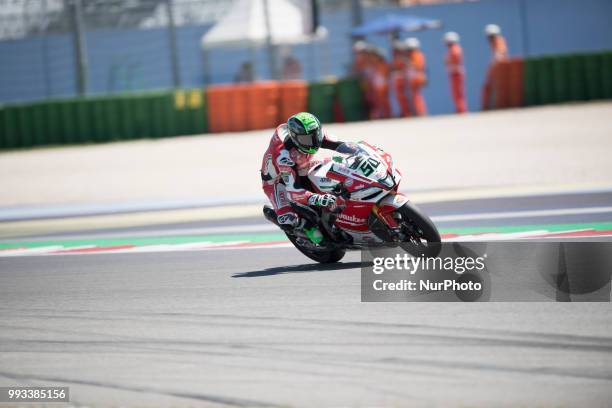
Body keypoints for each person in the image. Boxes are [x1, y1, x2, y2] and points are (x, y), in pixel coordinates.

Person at [260, 112, 345, 244]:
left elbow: (341, 145)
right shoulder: (284, 157)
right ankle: (303, 226)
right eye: (307, 140)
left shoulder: (312, 134)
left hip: (303, 166)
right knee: (287, 219)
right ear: (295, 138)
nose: (314, 142)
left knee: (337, 171)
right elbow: (293, 192)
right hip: (278, 181)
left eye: (315, 136)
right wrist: (318, 199)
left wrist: (360, 150)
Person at [481, 24, 508, 109]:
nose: (488, 39)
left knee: (494, 87)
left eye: (489, 37)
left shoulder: (498, 40)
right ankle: (488, 106)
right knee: (488, 87)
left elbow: (500, 54)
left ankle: (490, 106)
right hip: (497, 67)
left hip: (500, 68)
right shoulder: (495, 41)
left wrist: (493, 64)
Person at [443, 31, 467, 113]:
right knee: (455, 93)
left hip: (456, 74)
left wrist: (448, 61)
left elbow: (455, 59)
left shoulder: (455, 49)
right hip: (454, 73)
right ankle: (459, 109)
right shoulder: (452, 49)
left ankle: (461, 110)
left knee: (458, 92)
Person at [404, 37, 428, 116]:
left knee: (416, 95)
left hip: (417, 78)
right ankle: (418, 111)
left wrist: (409, 63)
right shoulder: (415, 55)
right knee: (415, 95)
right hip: (415, 78)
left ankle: (420, 112)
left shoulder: (416, 55)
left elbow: (418, 66)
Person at [391, 40, 411, 117]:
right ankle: (403, 111)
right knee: (399, 97)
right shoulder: (397, 58)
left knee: (403, 97)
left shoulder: (402, 58)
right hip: (398, 79)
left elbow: (403, 68)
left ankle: (406, 112)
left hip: (401, 79)